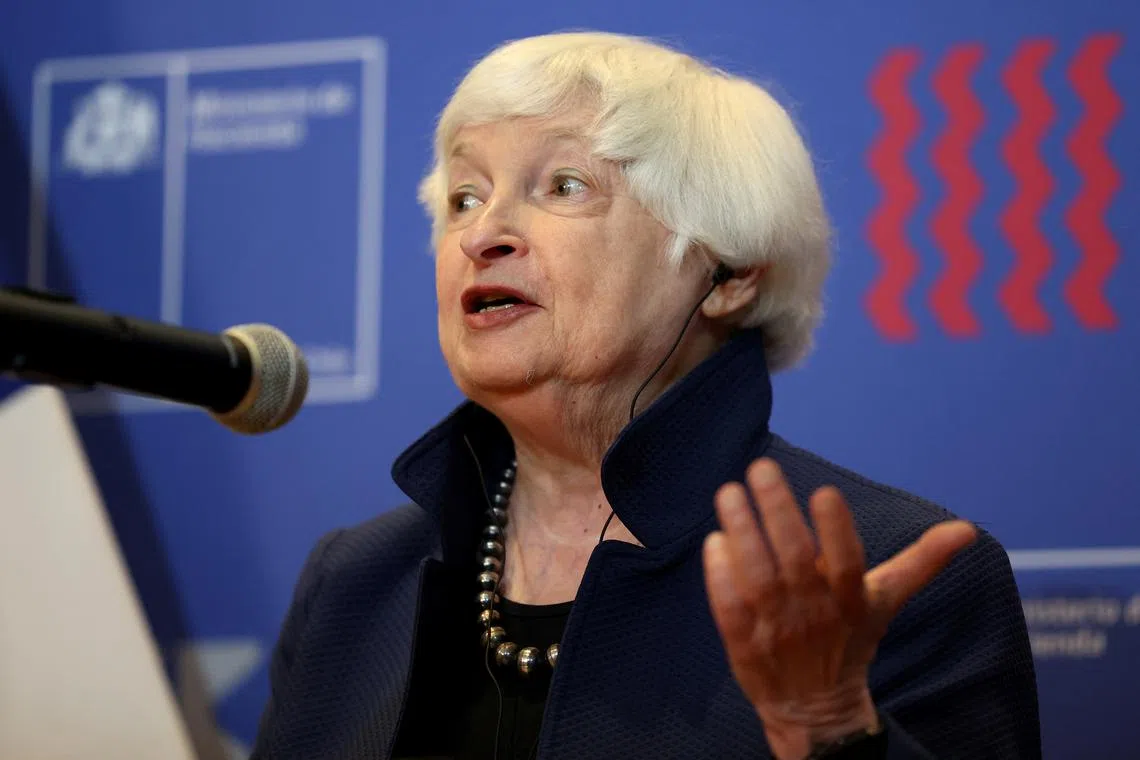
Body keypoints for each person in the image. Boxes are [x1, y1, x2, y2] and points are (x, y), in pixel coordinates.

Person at [250, 31, 1041, 760]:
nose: (481, 233)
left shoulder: (885, 574)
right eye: (464, 196)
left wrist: (833, 730)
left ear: (727, 275)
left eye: (563, 186)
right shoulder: (352, 582)